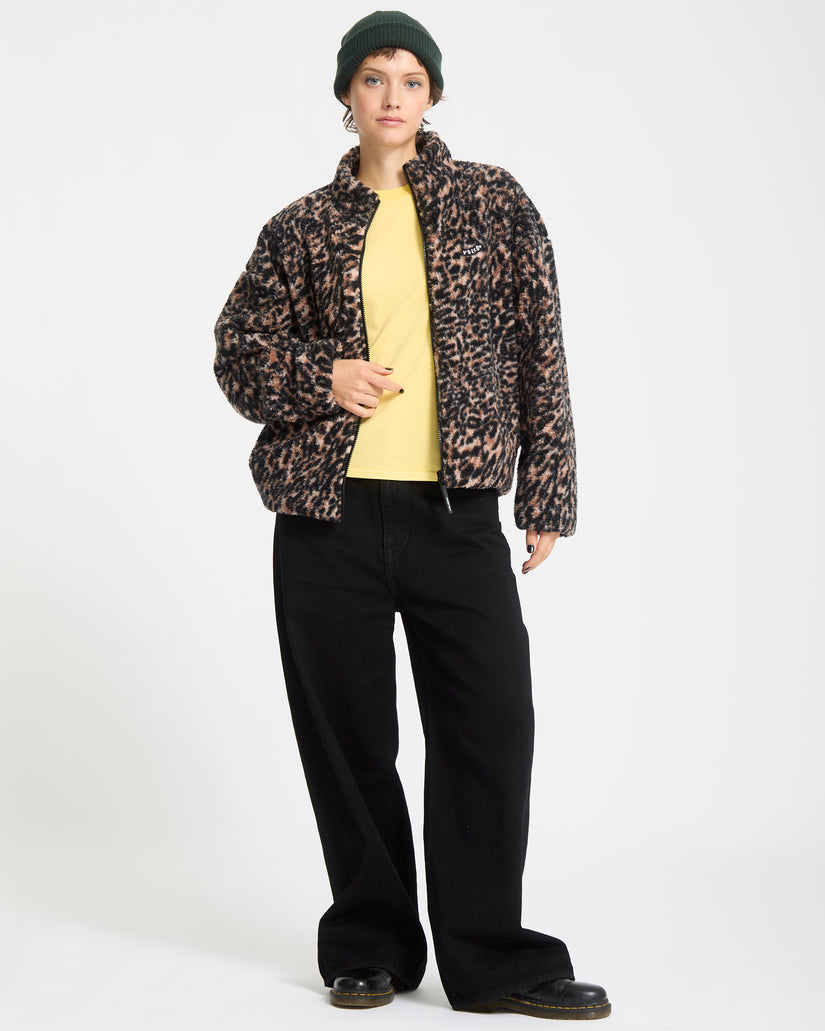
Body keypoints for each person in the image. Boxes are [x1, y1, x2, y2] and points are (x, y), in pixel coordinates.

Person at [214, 9, 610, 1020]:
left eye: (411, 79)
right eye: (373, 77)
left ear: (432, 95)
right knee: (348, 738)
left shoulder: (492, 202)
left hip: (454, 510)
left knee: (490, 725)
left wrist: (548, 491)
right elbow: (237, 354)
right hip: (326, 516)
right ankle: (370, 945)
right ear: (346, 94)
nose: (392, 97)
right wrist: (323, 374)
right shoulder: (300, 226)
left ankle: (495, 959)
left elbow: (541, 345)